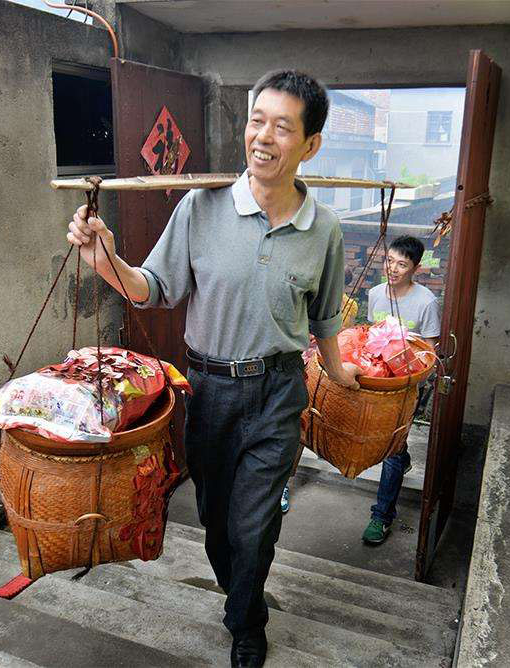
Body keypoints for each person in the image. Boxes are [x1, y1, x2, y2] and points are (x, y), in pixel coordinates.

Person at [67, 70, 361, 667]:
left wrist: (339, 371)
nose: (263, 137)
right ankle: (242, 591)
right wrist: (105, 259)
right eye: (257, 121)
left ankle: (247, 623)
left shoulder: (324, 228)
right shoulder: (201, 208)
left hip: (280, 389)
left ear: (311, 145)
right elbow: (153, 288)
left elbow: (326, 316)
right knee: (214, 518)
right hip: (208, 390)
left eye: (283, 127)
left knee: (254, 525)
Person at [362, 235, 441, 545]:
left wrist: (413, 379)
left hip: (407, 384)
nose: (393, 269)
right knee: (390, 438)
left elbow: (429, 353)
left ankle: (381, 517)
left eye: (402, 265)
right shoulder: (375, 293)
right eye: (389, 261)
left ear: (416, 268)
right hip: (379, 380)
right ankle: (403, 454)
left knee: (392, 446)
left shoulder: (426, 302)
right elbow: (371, 336)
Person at [280, 266, 358, 514]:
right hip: (296, 364)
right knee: (290, 426)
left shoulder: (350, 306)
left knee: (309, 423)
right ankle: (280, 483)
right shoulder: (301, 296)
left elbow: (344, 338)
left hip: (325, 368)